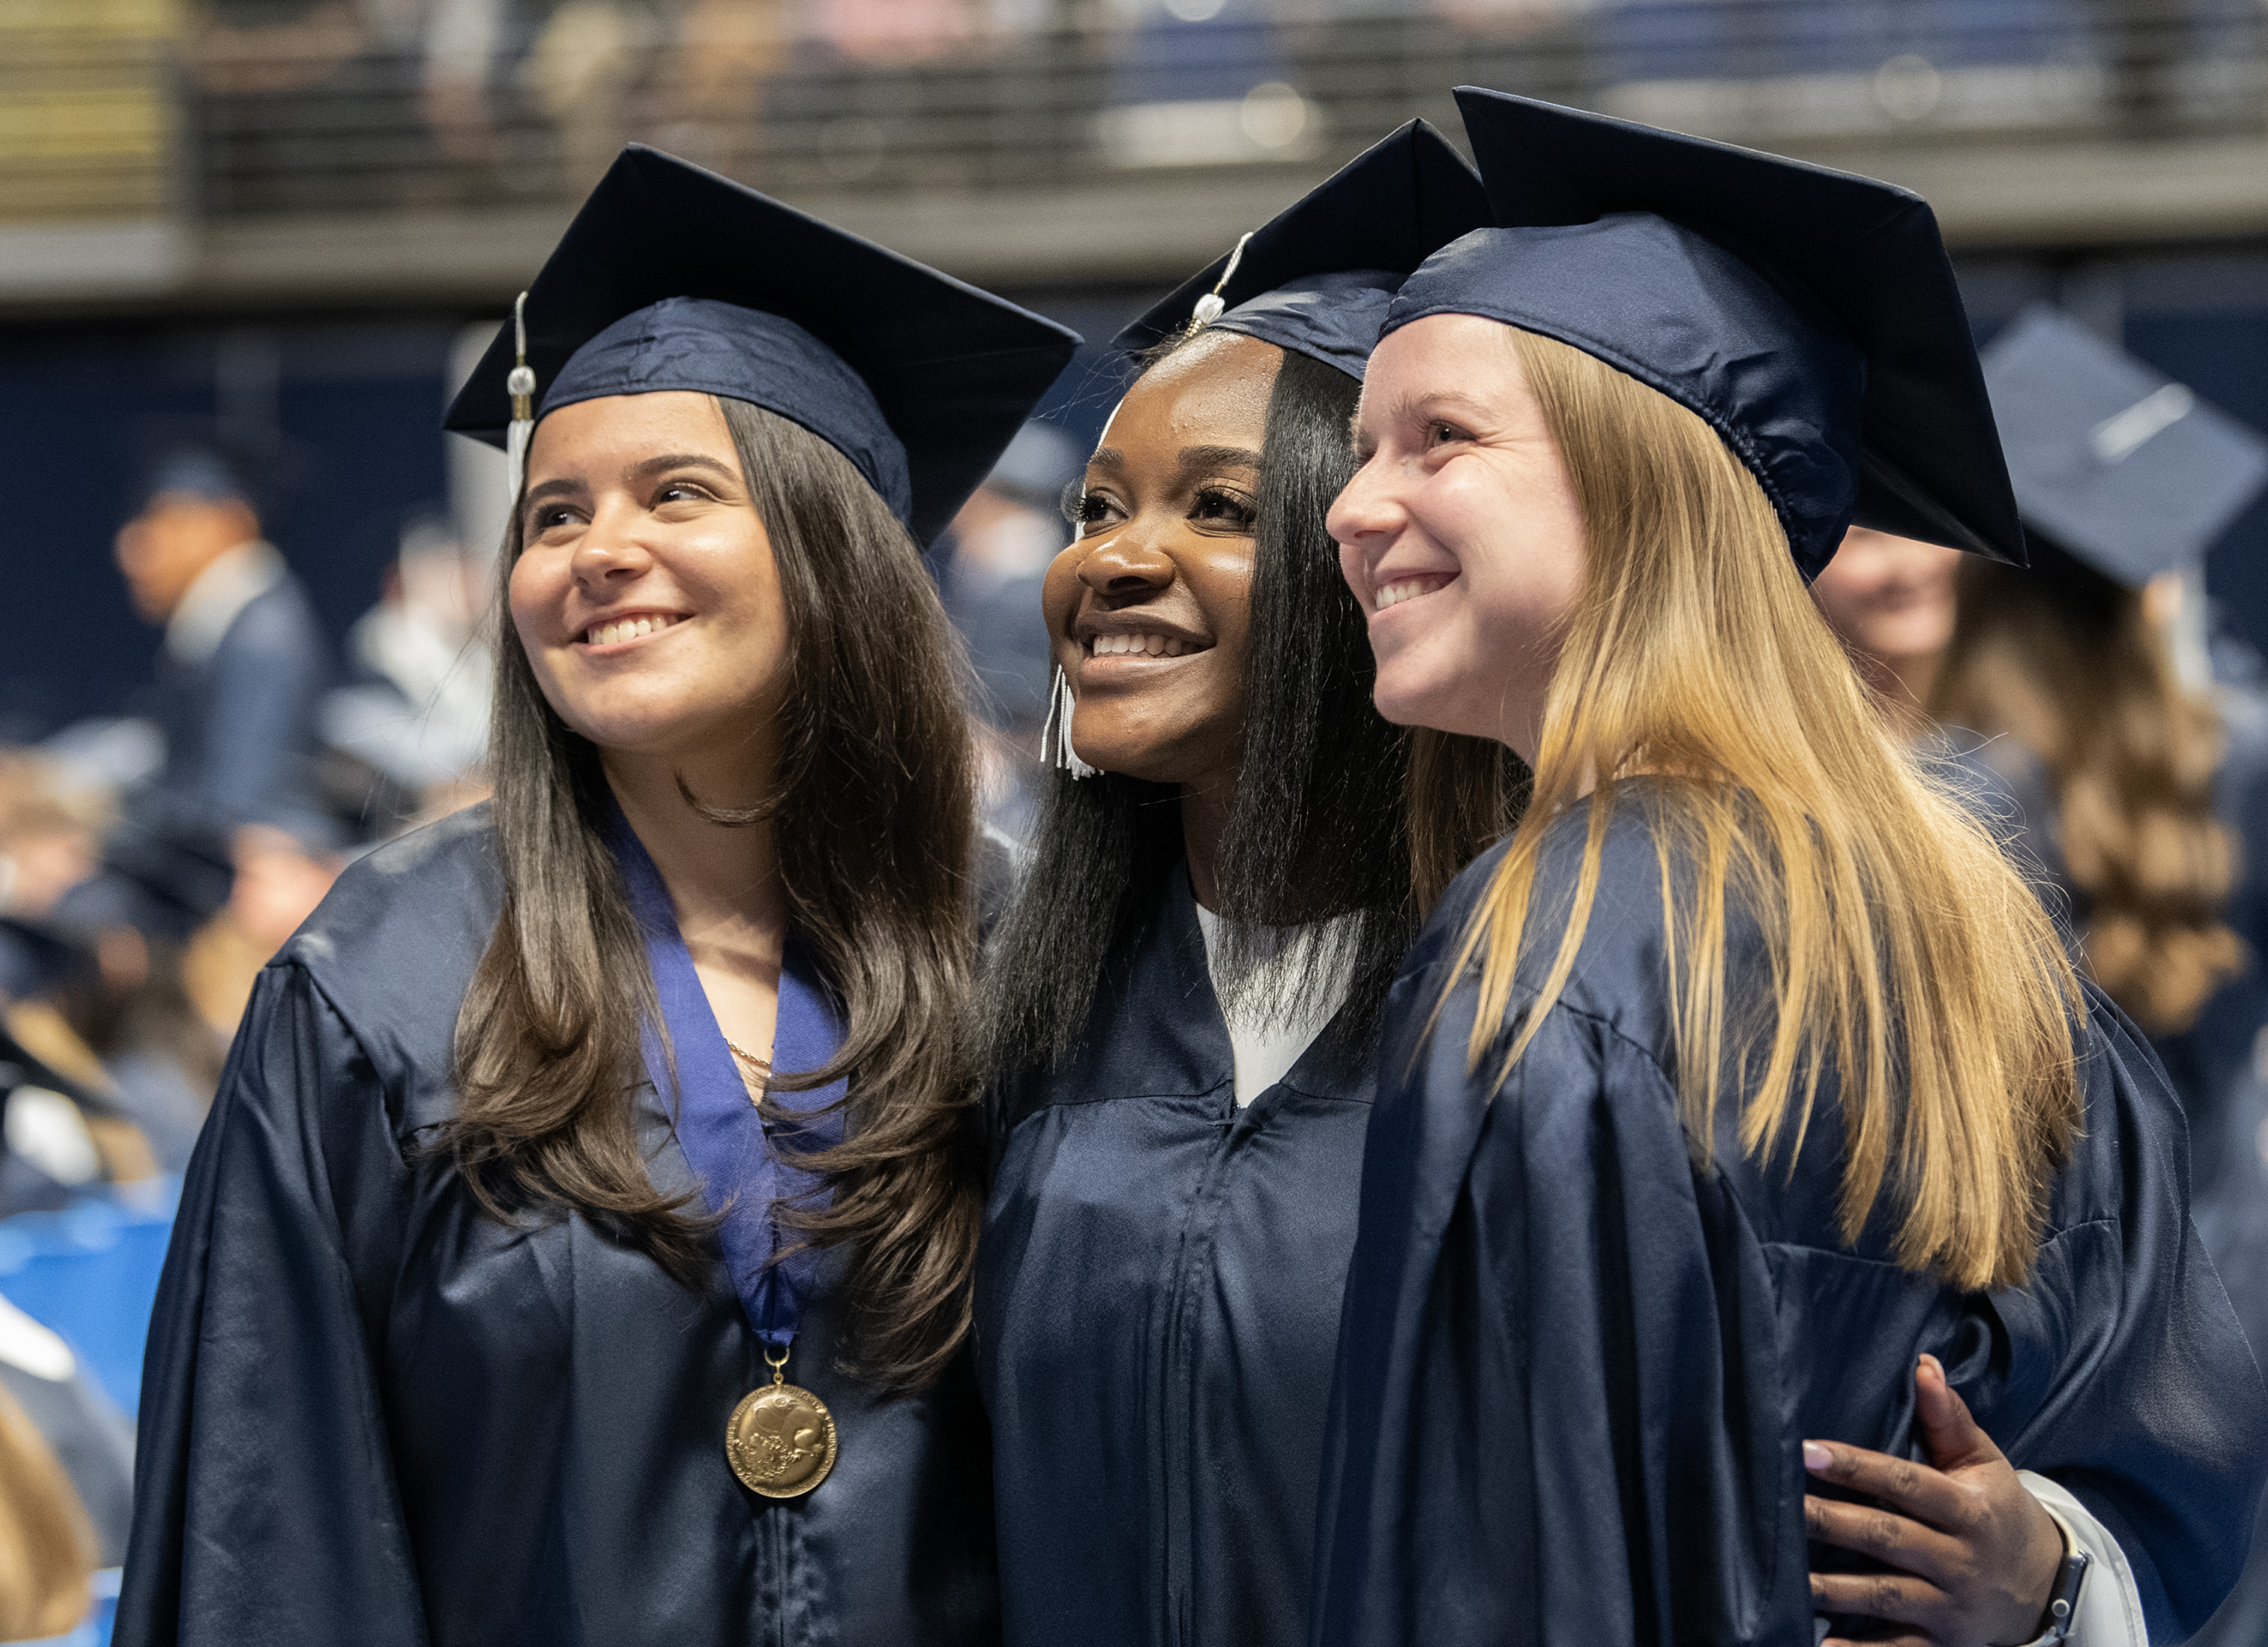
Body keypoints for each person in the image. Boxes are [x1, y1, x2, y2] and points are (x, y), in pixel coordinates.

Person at [1314, 89, 2267, 1647]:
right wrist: (2053, 1574)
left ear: (1646, 488)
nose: (1350, 507)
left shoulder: (1562, 948)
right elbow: (2165, 1442)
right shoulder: (1960, 911)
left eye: (1440, 439)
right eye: (1360, 447)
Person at [115, 145, 1078, 1646]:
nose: (597, 550)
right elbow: (271, 1518)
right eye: (551, 514)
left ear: (839, 554)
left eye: (675, 491)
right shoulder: (383, 983)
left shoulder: (1018, 952)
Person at [974, 123, 1520, 1647]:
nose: (1114, 560)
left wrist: (2041, 1567)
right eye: (1094, 508)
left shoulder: (1566, 1002)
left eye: (1219, 507)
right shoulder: (1028, 1005)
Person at [75, 448, 335, 943]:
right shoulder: (224, 627)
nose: (131, 547)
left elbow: (231, 812)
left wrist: (108, 838)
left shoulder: (261, 639)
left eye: (163, 522)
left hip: (233, 891)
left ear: (230, 525)